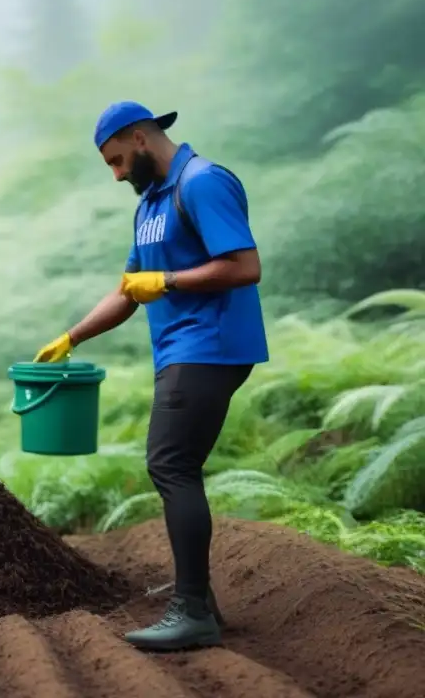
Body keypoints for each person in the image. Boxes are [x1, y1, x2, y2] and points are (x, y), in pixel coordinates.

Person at [34, 101, 268, 652]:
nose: (116, 174)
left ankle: (191, 609)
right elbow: (127, 289)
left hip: (209, 344)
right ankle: (199, 600)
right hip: (180, 348)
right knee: (176, 464)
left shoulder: (202, 182)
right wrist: (72, 337)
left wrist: (166, 282)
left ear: (140, 139)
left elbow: (244, 265)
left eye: (117, 160)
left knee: (170, 463)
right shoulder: (149, 206)